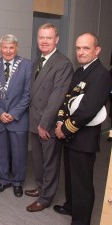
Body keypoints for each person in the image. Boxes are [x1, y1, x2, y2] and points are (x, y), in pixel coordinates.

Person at [54, 33, 112, 225]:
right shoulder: (80, 72)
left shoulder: (101, 74)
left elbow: (87, 109)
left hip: (84, 139)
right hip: (70, 137)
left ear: (97, 50)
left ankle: (81, 220)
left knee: (82, 183)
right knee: (70, 177)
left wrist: (65, 129)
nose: (81, 52)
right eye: (78, 48)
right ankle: (71, 206)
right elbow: (67, 99)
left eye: (86, 48)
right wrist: (60, 121)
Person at [26, 23, 73, 212]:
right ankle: (41, 188)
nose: (44, 41)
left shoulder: (63, 64)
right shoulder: (37, 61)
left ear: (57, 40)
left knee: (50, 162)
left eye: (48, 37)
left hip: (47, 123)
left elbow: (57, 96)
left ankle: (46, 198)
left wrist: (44, 124)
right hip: (34, 121)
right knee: (37, 160)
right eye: (41, 37)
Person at [0, 34, 32, 197]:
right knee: (0, 152)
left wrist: (13, 114)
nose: (8, 51)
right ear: (0, 48)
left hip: (18, 119)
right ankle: (4, 180)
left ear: (16, 48)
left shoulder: (27, 65)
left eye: (11, 47)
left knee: (19, 153)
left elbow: (28, 94)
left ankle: (17, 182)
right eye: (4, 47)